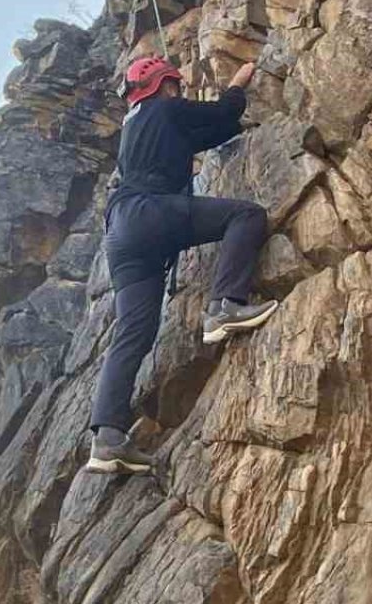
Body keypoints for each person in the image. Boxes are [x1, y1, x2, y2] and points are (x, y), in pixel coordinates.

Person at [85, 56, 279, 475]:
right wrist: (238, 85)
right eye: (175, 84)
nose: (179, 91)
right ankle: (224, 304)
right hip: (149, 212)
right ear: (165, 85)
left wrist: (233, 124)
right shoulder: (165, 108)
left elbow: (214, 131)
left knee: (133, 333)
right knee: (245, 215)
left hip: (120, 234)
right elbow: (225, 111)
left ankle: (107, 437)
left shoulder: (135, 127)